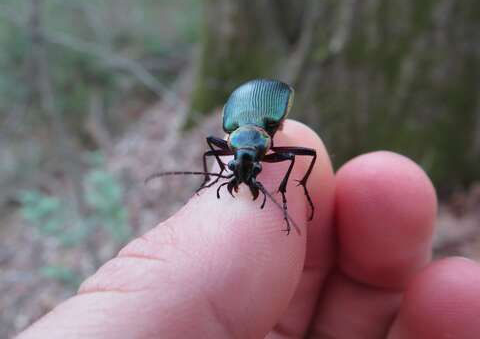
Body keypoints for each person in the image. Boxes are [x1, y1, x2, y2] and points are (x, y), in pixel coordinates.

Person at [18, 120, 480, 338]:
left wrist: (288, 191)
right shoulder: (231, 145)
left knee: (312, 158)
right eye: (234, 165)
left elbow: (301, 158)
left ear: (260, 152)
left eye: (246, 165)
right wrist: (213, 181)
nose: (243, 171)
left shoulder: (271, 144)